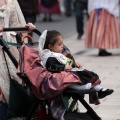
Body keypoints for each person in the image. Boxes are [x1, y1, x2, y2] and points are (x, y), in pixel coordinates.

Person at [38, 30, 114, 105]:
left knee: (86, 74)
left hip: (66, 73)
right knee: (71, 78)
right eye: (59, 44)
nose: (62, 46)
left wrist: (74, 64)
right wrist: (63, 67)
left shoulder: (57, 54)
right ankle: (81, 88)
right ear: (50, 46)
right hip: (58, 78)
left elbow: (67, 63)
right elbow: (51, 66)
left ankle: (100, 89)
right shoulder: (48, 56)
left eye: (62, 44)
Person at [0, 0, 36, 104]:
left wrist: (27, 28)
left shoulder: (12, 1)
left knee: (17, 80)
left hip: (10, 47)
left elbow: (16, 24)